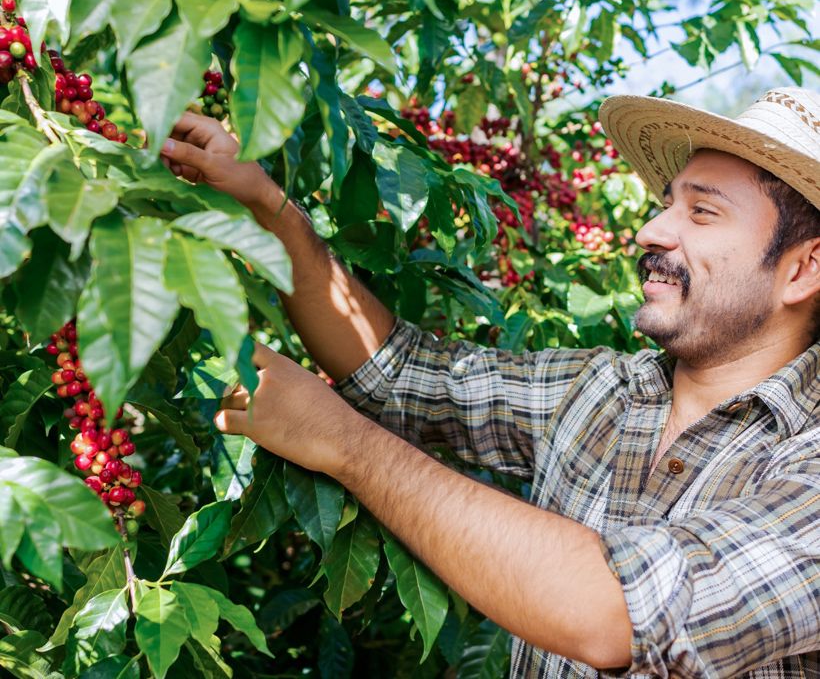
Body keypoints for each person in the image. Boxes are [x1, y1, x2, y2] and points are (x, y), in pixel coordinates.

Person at [160, 87, 820, 678]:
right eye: (665, 204)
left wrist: (343, 442)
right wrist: (269, 206)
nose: (651, 231)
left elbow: (618, 611)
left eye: (701, 214)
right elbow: (396, 372)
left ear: (803, 269)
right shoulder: (596, 392)